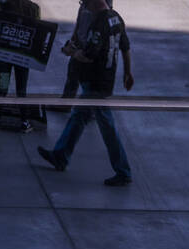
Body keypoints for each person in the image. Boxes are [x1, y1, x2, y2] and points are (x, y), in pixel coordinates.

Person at [36, 0, 135, 186]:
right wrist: (128, 72)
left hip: (96, 82)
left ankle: (123, 170)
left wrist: (70, 52)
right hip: (106, 79)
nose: (84, 7)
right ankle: (60, 155)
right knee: (79, 117)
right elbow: (125, 47)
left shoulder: (99, 24)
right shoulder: (116, 18)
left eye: (86, 2)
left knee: (107, 126)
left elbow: (88, 56)